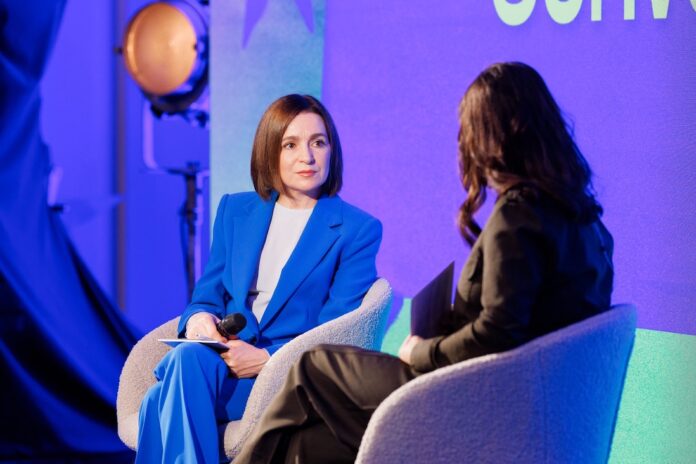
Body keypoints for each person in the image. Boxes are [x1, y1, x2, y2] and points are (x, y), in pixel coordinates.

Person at [234, 62, 615, 464]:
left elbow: (497, 334)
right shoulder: (585, 220)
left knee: (314, 364)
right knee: (306, 444)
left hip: (469, 400)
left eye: (469, 129)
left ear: (492, 134)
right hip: (514, 403)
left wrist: (423, 351)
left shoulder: (517, 219)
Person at [134, 94, 382, 464]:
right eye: (290, 144)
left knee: (160, 398)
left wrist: (267, 359)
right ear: (270, 151)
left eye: (318, 142)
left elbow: (336, 332)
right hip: (218, 362)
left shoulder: (356, 229)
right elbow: (206, 295)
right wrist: (200, 320)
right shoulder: (234, 210)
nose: (307, 157)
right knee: (185, 361)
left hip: (285, 376)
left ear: (332, 150)